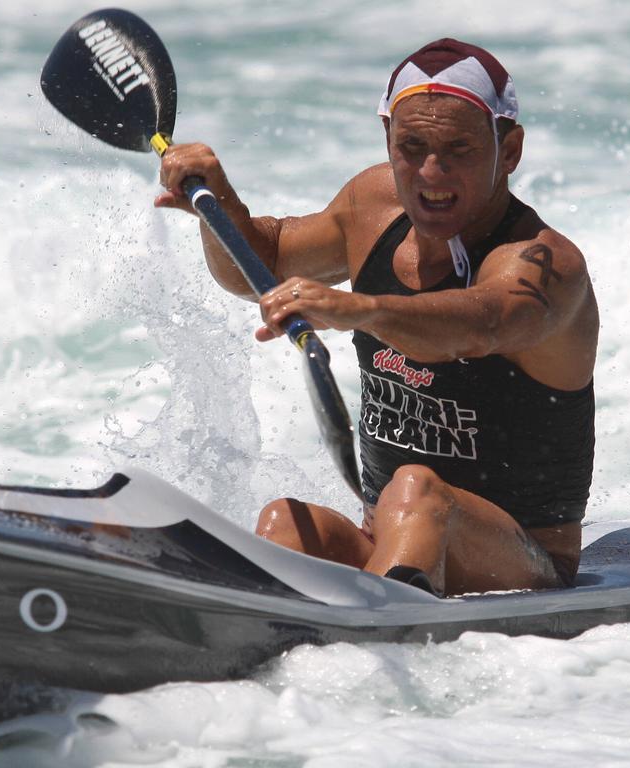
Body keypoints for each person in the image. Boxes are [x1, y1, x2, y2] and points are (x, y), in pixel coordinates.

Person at [155, 38, 598, 596]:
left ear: (509, 151)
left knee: (416, 490)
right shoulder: (373, 203)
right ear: (387, 138)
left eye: (458, 149)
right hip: (390, 539)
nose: (431, 174)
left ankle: (380, 637)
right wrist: (218, 204)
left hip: (525, 560)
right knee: (285, 522)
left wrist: (359, 310)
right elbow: (258, 267)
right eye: (411, 147)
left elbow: (483, 323)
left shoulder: (546, 264)